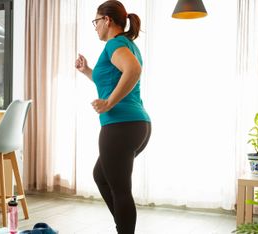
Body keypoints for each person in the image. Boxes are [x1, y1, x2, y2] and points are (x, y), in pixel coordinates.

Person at [75, 1, 151, 233]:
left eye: (96, 21)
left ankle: (124, 230)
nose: (95, 27)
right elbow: (112, 80)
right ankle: (123, 226)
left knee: (120, 189)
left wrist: (109, 103)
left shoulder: (115, 44)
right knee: (102, 175)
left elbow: (134, 71)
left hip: (121, 126)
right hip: (137, 125)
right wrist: (88, 71)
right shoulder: (125, 44)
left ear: (107, 20)